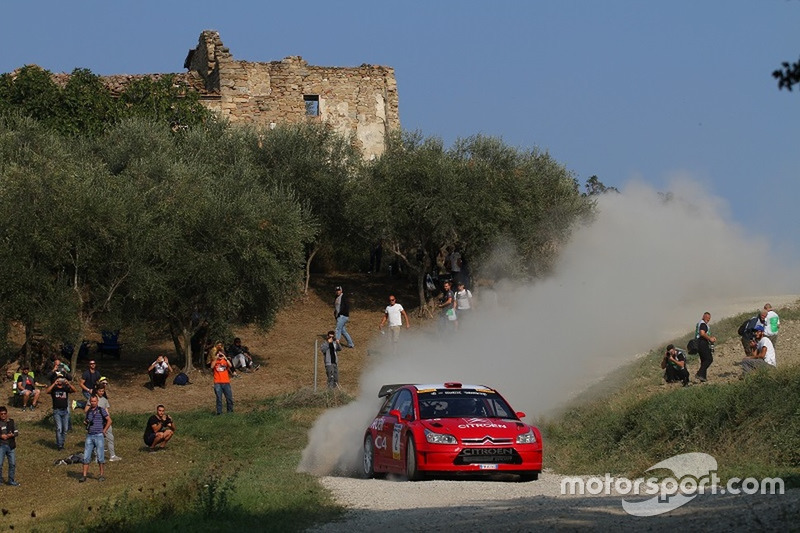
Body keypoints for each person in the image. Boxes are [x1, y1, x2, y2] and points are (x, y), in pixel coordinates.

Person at [86, 381, 121, 461]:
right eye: (100, 391)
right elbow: (87, 410)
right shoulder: (92, 399)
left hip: (105, 422)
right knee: (96, 440)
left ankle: (112, 455)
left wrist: (107, 422)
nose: (101, 392)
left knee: (110, 438)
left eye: (103, 391)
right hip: (96, 423)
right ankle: (96, 456)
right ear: (97, 391)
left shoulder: (105, 400)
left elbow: (107, 411)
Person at [80, 394, 111, 482]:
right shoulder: (89, 411)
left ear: (97, 401)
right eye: (92, 401)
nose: (93, 403)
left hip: (99, 435)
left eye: (94, 401)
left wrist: (104, 430)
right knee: (86, 456)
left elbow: (109, 420)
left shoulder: (101, 410)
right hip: (90, 435)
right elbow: (86, 420)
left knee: (100, 456)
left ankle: (101, 475)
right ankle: (84, 475)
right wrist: (86, 423)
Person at [45, 374, 77, 451]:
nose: (60, 381)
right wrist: (54, 384)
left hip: (65, 411)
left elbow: (75, 390)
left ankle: (61, 443)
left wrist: (68, 383)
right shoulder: (54, 389)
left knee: (65, 429)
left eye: (61, 380)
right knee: (59, 428)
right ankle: (60, 445)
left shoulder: (65, 388)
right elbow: (47, 391)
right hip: (57, 411)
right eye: (58, 380)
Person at [0, 406, 20, 486]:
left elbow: (16, 432)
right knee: (0, 464)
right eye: (1, 414)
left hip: (10, 446)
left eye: (5, 414)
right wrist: (1, 436)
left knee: (12, 464)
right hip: (1, 446)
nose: (3, 415)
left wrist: (11, 435)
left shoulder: (11, 422)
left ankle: (11, 480)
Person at [212, 347, 235, 414]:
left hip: (226, 382)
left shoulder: (225, 361)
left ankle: (230, 411)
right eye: (219, 354)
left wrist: (225, 357)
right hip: (217, 382)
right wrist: (216, 358)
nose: (220, 356)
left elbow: (230, 366)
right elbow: (212, 366)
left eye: (221, 354)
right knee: (219, 398)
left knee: (229, 398)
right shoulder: (215, 361)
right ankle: (219, 412)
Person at [694, 312, 717, 382]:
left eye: (709, 318)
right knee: (709, 359)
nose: (708, 319)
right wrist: (710, 338)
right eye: (707, 318)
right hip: (702, 343)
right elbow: (702, 333)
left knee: (704, 360)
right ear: (703, 317)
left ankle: (703, 377)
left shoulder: (700, 323)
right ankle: (699, 373)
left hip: (699, 343)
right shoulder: (703, 324)